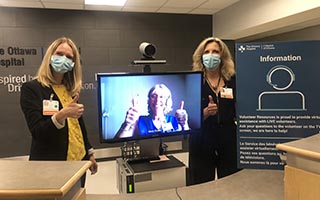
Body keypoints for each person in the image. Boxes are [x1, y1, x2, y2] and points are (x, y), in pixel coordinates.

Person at [20, 36, 98, 187]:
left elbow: (78, 126)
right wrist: (62, 115)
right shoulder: (32, 89)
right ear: (50, 56)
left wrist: (89, 153)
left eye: (69, 57)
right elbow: (38, 132)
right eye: (60, 54)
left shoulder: (69, 89)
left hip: (78, 162)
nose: (64, 59)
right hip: (51, 165)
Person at [188, 37, 240, 185]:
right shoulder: (194, 81)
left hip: (228, 138)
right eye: (207, 52)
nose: (211, 55)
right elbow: (187, 119)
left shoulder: (233, 80)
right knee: (200, 184)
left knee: (232, 182)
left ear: (223, 56)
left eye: (215, 52)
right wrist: (203, 114)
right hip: (202, 139)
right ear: (201, 56)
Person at [116, 83, 189, 138]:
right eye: (153, 96)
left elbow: (187, 141)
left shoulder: (175, 120)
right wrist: (126, 124)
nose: (157, 100)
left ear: (167, 101)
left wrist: (185, 125)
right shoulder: (139, 121)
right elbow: (119, 142)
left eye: (161, 97)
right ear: (149, 100)